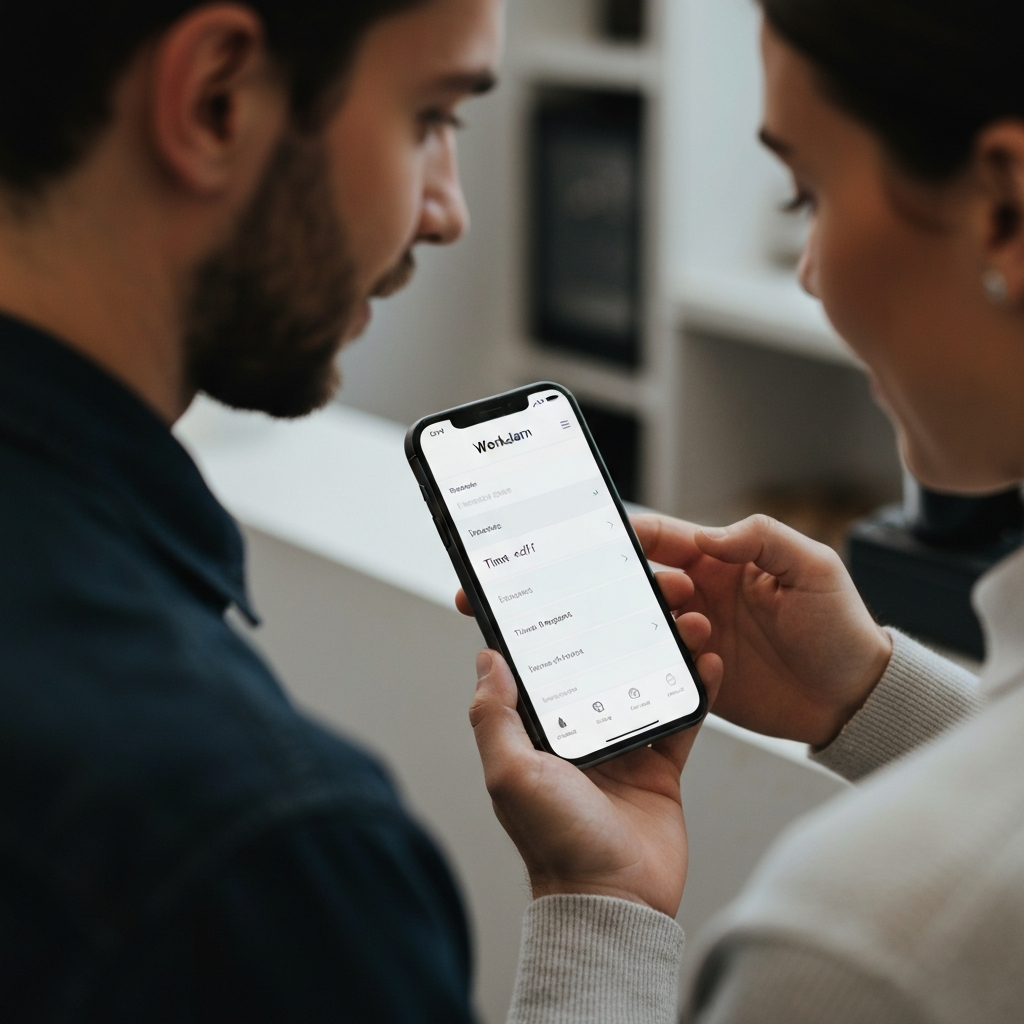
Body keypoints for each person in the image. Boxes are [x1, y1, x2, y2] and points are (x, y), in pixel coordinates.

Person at [465, 0, 1024, 1021]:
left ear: (1003, 208)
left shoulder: (866, 951)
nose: (808, 272)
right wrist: (870, 693)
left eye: (805, 192)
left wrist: (600, 905)